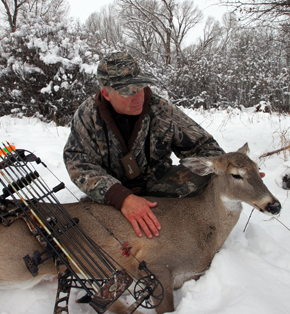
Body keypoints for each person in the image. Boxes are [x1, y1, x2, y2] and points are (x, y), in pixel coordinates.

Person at [63, 52, 224, 239]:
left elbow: (204, 145)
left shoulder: (162, 109)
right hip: (113, 190)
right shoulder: (87, 115)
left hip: (157, 182)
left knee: (211, 177)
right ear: (106, 93)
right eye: (128, 91)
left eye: (140, 86)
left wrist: (233, 169)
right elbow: (77, 163)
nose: (138, 96)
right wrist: (120, 197)